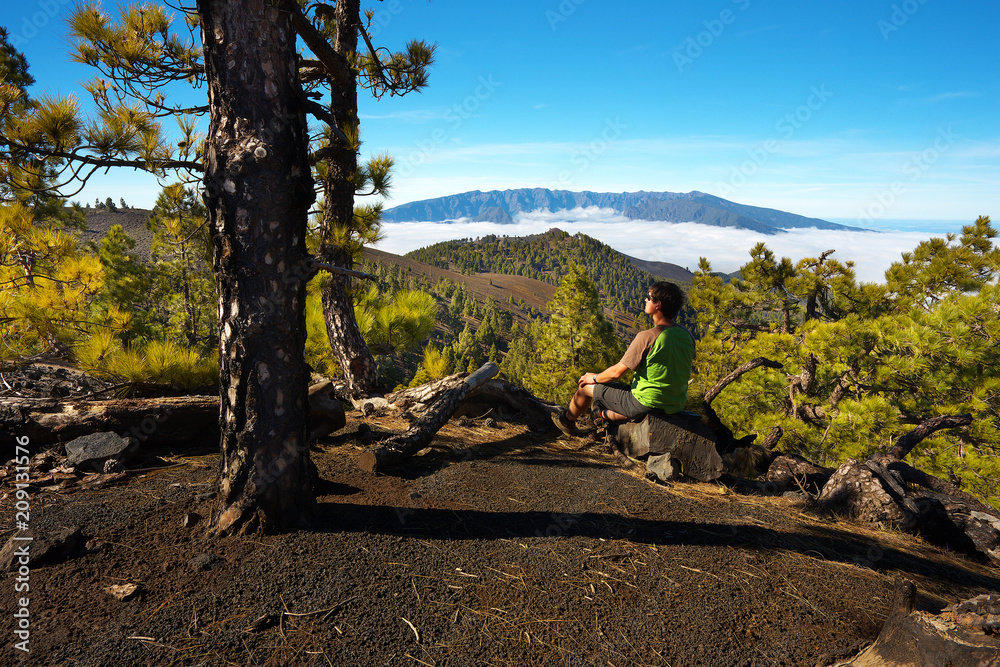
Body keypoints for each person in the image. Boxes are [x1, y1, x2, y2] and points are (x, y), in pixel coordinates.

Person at [551, 281, 695, 435]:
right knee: (625, 398)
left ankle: (567, 422)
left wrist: (593, 377)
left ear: (658, 305)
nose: (645, 300)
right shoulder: (686, 335)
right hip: (674, 403)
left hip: (644, 402)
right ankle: (599, 415)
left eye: (649, 297)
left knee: (585, 387)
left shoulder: (648, 336)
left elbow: (616, 373)